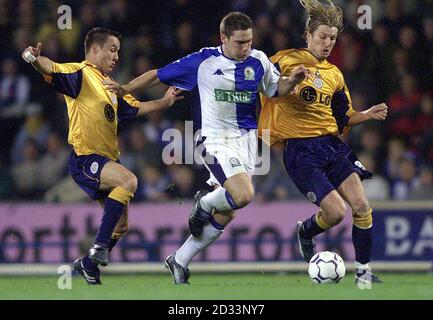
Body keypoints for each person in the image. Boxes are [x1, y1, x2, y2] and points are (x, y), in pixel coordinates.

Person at [105, 12, 306, 285]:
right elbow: (158, 74)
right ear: (223, 38)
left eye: (249, 41)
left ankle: (180, 259)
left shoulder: (258, 60)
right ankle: (204, 202)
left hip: (246, 141)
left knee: (229, 209)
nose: (245, 47)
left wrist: (292, 81)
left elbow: (274, 89)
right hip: (213, 139)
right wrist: (125, 87)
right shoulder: (203, 61)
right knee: (244, 194)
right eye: (239, 42)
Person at [22, 27, 182, 285]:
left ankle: (87, 264)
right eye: (112, 49)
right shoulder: (81, 73)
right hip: (86, 159)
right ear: (94, 49)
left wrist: (164, 102)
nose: (117, 55)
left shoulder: (111, 86)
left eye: (118, 50)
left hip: (107, 161)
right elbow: (50, 67)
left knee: (120, 227)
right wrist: (33, 58)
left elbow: (136, 107)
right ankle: (97, 249)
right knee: (128, 181)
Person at [259, 0, 388, 285]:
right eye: (322, 37)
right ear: (308, 35)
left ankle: (364, 274)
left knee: (361, 206)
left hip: (331, 146)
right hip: (299, 150)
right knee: (336, 212)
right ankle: (306, 230)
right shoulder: (284, 59)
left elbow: (344, 117)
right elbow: (262, 83)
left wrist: (365, 115)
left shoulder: (335, 75)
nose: (328, 43)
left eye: (332, 38)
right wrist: (289, 82)